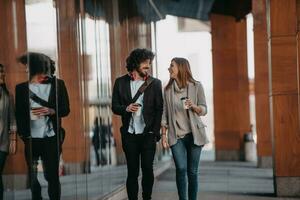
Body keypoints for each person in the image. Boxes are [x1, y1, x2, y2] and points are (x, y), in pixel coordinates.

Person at [15, 52, 70, 200]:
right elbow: (18, 115)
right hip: (31, 139)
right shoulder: (21, 89)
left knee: (51, 176)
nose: (25, 69)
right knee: (32, 176)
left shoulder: (58, 85)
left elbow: (66, 110)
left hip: (50, 138)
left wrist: (52, 111)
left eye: (27, 66)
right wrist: (23, 135)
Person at [112, 48, 163, 200]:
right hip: (129, 135)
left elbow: (159, 109)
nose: (148, 66)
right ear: (135, 63)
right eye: (145, 63)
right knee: (132, 171)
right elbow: (115, 106)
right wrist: (126, 108)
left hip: (148, 135)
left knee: (147, 169)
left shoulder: (155, 83)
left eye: (149, 63)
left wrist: (154, 132)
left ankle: (147, 197)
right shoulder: (120, 82)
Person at [161, 57, 208, 200]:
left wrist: (194, 106)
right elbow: (164, 114)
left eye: (172, 66)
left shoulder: (196, 86)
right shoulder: (168, 90)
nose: (169, 68)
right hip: (176, 137)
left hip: (194, 135)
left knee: (192, 172)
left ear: (181, 68)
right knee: (181, 169)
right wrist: (164, 135)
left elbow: (204, 109)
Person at [0, 64, 17, 200]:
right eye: (0, 72)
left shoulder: (8, 96)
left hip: (3, 143)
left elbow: (12, 119)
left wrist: (13, 140)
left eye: (3, 72)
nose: (3, 74)